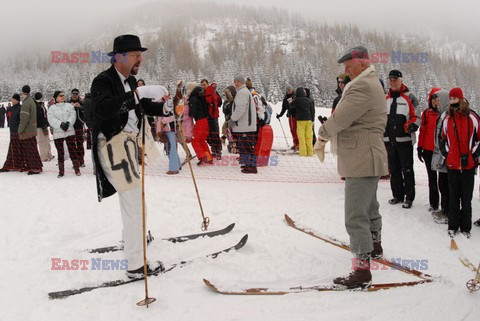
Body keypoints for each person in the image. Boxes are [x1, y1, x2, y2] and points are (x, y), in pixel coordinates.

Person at [90, 34, 166, 278]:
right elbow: (104, 109)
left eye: (140, 54)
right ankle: (135, 264)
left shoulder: (131, 81)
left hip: (129, 145)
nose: (140, 59)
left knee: (134, 202)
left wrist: (163, 108)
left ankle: (132, 239)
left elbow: (138, 108)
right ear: (120, 57)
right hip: (113, 146)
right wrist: (138, 94)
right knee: (134, 204)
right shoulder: (103, 81)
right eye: (135, 54)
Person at [318, 46, 388, 289]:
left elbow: (342, 117)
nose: (345, 71)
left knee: (355, 215)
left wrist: (322, 134)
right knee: (369, 206)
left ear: (361, 63)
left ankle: (361, 271)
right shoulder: (369, 82)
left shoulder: (362, 85)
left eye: (348, 66)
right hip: (368, 154)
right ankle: (375, 245)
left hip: (361, 156)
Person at [439, 87, 480, 239]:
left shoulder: (473, 117)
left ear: (461, 99)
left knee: (466, 197)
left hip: (468, 165)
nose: (452, 101)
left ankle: (466, 227)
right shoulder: (447, 118)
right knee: (453, 197)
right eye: (450, 99)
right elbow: (441, 138)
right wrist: (446, 154)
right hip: (452, 165)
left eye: (455, 98)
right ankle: (453, 226)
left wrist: (473, 155)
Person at [383, 70, 420, 209]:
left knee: (407, 170)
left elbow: (417, 116)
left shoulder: (409, 97)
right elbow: (380, 117)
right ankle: (397, 195)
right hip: (388, 141)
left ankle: (409, 197)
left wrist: (410, 127)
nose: (392, 82)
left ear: (401, 80)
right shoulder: (385, 98)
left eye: (395, 79)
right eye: (390, 79)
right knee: (394, 170)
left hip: (405, 141)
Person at [229, 74, 257, 174]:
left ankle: (252, 167)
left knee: (247, 147)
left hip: (245, 126)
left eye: (238, 81)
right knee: (245, 147)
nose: (236, 83)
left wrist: (232, 119)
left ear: (242, 83)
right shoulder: (243, 92)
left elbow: (240, 109)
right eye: (235, 81)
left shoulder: (242, 93)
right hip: (245, 125)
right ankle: (247, 164)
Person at [47, 91, 80, 177]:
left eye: (63, 95)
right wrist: (60, 124)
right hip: (58, 133)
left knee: (73, 150)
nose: (62, 97)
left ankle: (77, 169)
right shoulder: (52, 108)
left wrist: (68, 123)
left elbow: (73, 116)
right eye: (60, 95)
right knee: (60, 152)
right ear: (56, 98)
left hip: (69, 132)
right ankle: (61, 171)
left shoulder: (69, 106)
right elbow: (51, 119)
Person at [430, 89, 451, 224]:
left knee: (446, 185)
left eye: (438, 99)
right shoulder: (442, 114)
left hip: (446, 157)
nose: (436, 102)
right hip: (441, 156)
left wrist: (445, 153)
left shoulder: (447, 116)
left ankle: (448, 212)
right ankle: (444, 209)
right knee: (442, 184)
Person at [18, 85, 43, 175]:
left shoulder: (26, 103)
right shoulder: (31, 100)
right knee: (33, 149)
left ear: (22, 92)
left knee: (30, 150)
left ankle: (35, 167)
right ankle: (34, 165)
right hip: (32, 129)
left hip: (27, 130)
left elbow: (24, 119)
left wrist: (20, 130)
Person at [189, 85, 213, 165]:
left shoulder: (193, 99)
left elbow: (192, 112)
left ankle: (202, 157)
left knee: (195, 141)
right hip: (206, 121)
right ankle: (209, 158)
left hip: (200, 121)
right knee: (202, 140)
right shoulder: (202, 98)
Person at [0, 94, 24, 172]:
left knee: (18, 149)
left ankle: (20, 165)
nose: (12, 100)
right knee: (12, 149)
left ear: (17, 100)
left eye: (13, 99)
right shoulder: (12, 108)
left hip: (18, 132)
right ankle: (10, 165)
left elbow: (21, 121)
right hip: (12, 131)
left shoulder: (20, 108)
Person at [156, 99, 181, 174]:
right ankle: (177, 164)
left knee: (171, 148)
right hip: (164, 130)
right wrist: (159, 131)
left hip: (170, 129)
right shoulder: (160, 104)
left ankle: (174, 168)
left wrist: (164, 121)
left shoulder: (172, 103)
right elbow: (159, 119)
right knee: (169, 148)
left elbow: (176, 116)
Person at [201, 79, 223, 159]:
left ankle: (216, 151)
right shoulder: (213, 91)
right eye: (202, 85)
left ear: (207, 84)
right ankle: (217, 151)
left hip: (210, 116)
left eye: (204, 84)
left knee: (211, 134)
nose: (203, 86)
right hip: (214, 116)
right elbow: (220, 102)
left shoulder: (205, 93)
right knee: (214, 133)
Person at [291, 87, 315, 156]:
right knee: (309, 137)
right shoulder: (309, 100)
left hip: (300, 120)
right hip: (309, 120)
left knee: (301, 138)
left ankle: (303, 153)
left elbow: (290, 105)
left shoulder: (296, 100)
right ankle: (310, 153)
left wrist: (291, 98)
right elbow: (312, 111)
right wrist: (312, 119)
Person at [34, 92, 54, 162]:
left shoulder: (41, 105)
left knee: (47, 140)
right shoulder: (36, 106)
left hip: (44, 125)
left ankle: (49, 154)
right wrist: (43, 124)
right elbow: (39, 117)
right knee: (42, 142)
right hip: (40, 126)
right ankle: (43, 156)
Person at [277, 85, 298, 150]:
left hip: (295, 116)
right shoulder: (285, 98)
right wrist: (280, 115)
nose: (289, 91)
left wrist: (293, 109)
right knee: (291, 130)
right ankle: (295, 143)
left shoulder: (295, 96)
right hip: (290, 116)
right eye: (288, 90)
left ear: (292, 90)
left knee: (295, 130)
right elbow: (284, 108)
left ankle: (298, 143)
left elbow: (297, 106)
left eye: (290, 90)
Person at [69, 88, 85, 167]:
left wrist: (80, 107)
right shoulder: (68, 103)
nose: (75, 96)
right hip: (70, 126)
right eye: (73, 94)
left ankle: (81, 160)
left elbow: (86, 112)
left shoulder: (81, 102)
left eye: (76, 94)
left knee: (80, 144)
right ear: (71, 95)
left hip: (79, 126)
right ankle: (75, 161)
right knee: (72, 145)